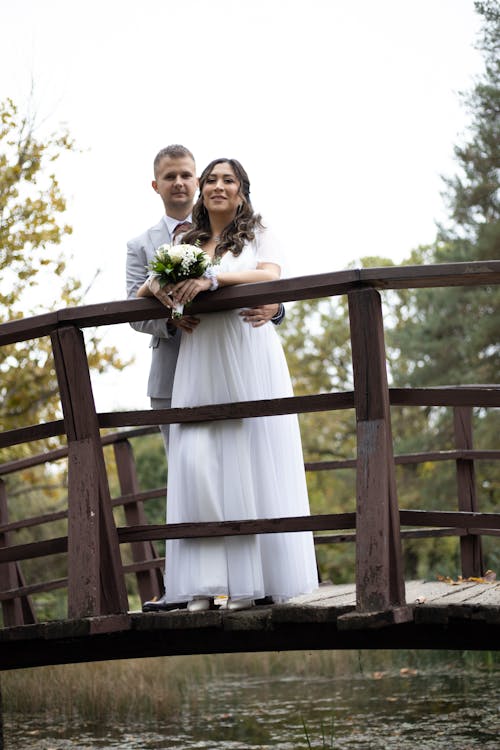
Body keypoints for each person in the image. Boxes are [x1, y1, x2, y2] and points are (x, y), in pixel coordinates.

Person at [137, 157, 318, 612]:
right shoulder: (186, 240)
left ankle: (249, 584)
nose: (219, 186)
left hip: (245, 351)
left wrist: (212, 277)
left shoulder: (258, 233)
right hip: (199, 358)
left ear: (241, 190)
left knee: (245, 458)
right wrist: (170, 296)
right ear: (202, 190)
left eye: (228, 180)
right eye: (212, 180)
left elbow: (271, 276)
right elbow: (146, 287)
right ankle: (200, 584)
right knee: (196, 464)